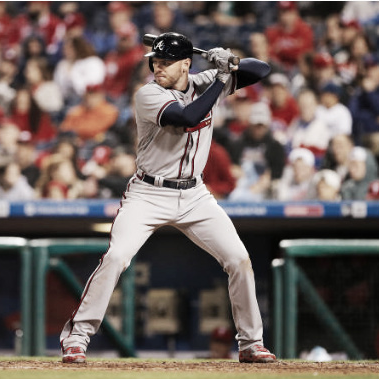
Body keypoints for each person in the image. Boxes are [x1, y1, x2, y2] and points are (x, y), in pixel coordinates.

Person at [60, 32, 276, 364]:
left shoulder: (203, 80)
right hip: (148, 193)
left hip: (195, 195)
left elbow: (261, 70)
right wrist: (220, 79)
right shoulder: (148, 94)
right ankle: (77, 336)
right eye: (156, 62)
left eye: (166, 62)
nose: (158, 67)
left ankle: (251, 342)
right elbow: (187, 118)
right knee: (117, 257)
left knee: (239, 259)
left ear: (186, 64)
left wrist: (229, 61)